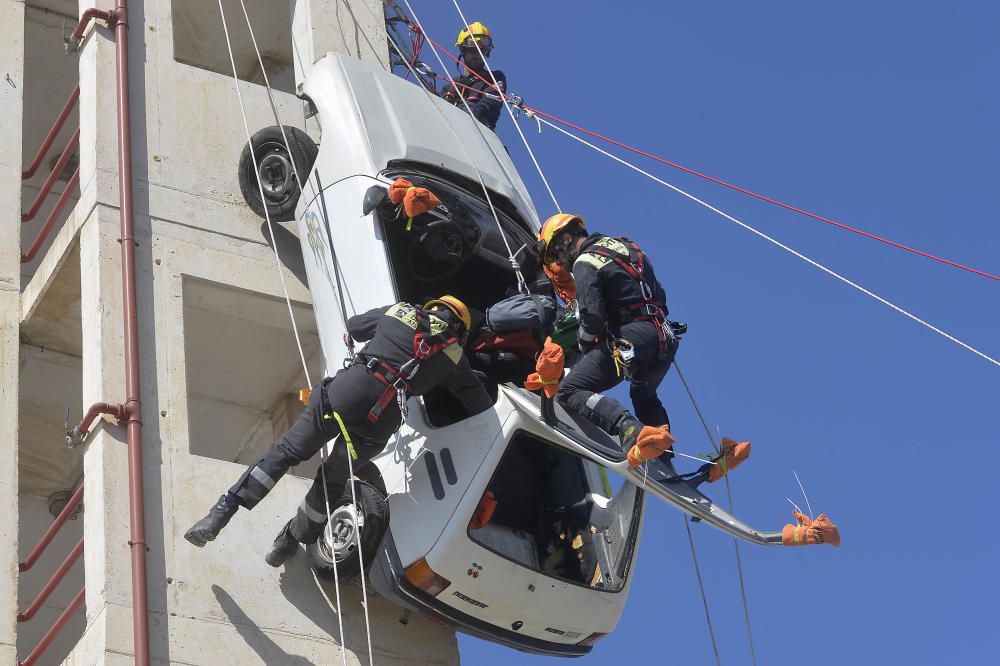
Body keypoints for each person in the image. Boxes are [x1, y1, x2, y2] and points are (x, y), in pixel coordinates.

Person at [184, 296, 492, 566]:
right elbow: (478, 403)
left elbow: (356, 326)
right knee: (332, 481)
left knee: (288, 452)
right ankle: (291, 539)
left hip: (348, 394)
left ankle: (223, 512)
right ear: (460, 331)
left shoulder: (399, 311)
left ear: (432, 308)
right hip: (379, 422)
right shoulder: (454, 357)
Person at [537, 214, 679, 456]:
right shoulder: (629, 247)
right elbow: (659, 293)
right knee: (642, 392)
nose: (560, 263)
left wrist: (583, 346)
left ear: (566, 240)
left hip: (632, 337)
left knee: (569, 390)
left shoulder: (585, 260)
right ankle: (662, 451)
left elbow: (592, 316)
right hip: (664, 337)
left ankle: (627, 428)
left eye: (557, 255)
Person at [442, 21, 507, 130]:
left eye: (481, 51)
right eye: (473, 51)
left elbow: (490, 104)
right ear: (463, 50)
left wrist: (469, 112)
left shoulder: (494, 78)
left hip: (479, 132)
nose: (477, 55)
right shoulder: (451, 87)